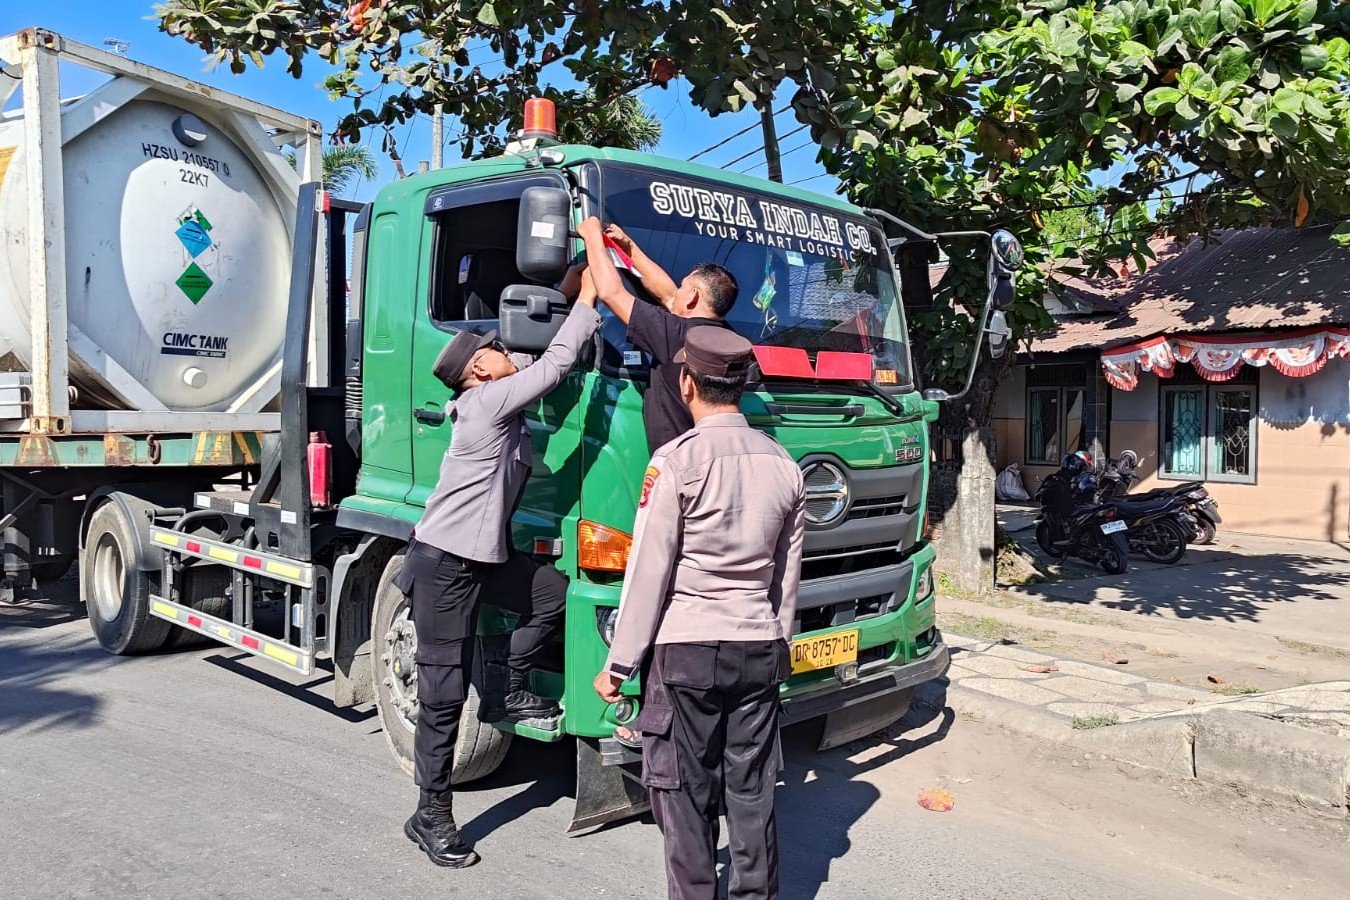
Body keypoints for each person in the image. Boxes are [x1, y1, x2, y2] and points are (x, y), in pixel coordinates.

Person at [593, 326, 806, 900]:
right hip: (759, 646)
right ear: (741, 386)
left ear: (687, 381)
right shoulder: (784, 464)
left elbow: (648, 573)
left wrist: (618, 666)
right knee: (753, 791)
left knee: (684, 797)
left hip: (687, 650)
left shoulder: (676, 461)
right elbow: (786, 577)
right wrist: (776, 643)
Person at [397, 270, 601, 869]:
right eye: (494, 351)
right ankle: (430, 814)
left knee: (550, 595)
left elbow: (536, 344)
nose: (507, 353)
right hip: (445, 567)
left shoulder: (491, 393)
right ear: (481, 370)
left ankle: (506, 692)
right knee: (441, 695)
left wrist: (569, 284)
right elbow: (553, 365)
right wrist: (591, 299)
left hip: (484, 558)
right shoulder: (488, 403)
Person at [578, 218, 740, 453]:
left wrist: (593, 237)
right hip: (716, 457)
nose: (677, 289)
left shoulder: (674, 333)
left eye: (683, 285)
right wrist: (629, 247)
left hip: (676, 463)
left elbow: (611, 292)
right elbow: (669, 296)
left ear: (693, 296)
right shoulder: (728, 337)